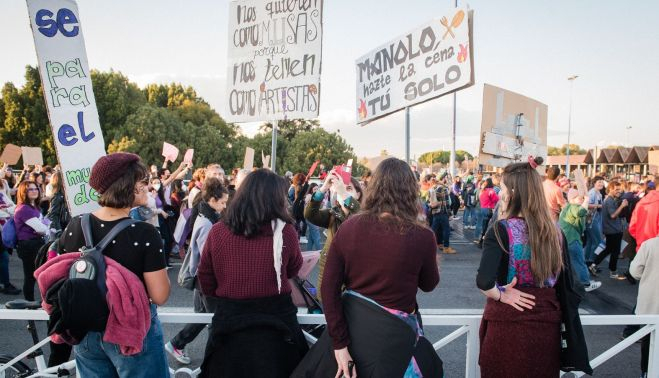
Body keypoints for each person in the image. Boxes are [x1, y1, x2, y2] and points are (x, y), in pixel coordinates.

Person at [320, 157, 440, 378]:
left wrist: (339, 343)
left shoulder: (349, 227)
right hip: (395, 338)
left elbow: (328, 288)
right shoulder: (422, 236)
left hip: (354, 332)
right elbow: (429, 284)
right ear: (410, 191)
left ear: (374, 187)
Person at [55, 152, 170, 377]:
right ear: (129, 185)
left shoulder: (75, 225)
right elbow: (160, 296)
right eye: (144, 181)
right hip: (130, 331)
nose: (148, 187)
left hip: (85, 329)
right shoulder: (145, 233)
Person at [197, 169, 307, 377]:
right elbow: (293, 269)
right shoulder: (285, 231)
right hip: (277, 324)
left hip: (230, 322)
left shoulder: (218, 231)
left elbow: (206, 279)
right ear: (275, 199)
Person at [477, 157, 566, 377]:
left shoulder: (500, 230)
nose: (500, 194)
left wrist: (501, 295)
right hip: (546, 325)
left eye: (503, 188)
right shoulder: (555, 232)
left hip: (508, 325)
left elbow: (484, 281)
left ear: (513, 193)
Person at [165, 178, 228, 365]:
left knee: (202, 316)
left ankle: (177, 343)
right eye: (223, 202)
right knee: (214, 321)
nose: (225, 206)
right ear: (213, 200)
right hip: (205, 280)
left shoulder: (204, 216)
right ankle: (214, 360)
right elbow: (209, 260)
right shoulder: (208, 224)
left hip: (200, 278)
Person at [304, 171, 362, 301]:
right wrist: (324, 188)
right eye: (341, 188)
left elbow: (359, 215)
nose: (343, 190)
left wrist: (343, 193)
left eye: (349, 188)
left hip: (354, 286)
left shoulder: (364, 215)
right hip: (329, 285)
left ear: (358, 195)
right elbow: (310, 214)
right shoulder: (332, 214)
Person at [559, 189, 601, 292]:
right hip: (572, 239)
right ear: (572, 199)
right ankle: (586, 284)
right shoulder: (574, 206)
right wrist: (587, 200)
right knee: (579, 262)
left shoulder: (567, 207)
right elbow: (581, 212)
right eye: (580, 198)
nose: (582, 199)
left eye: (582, 198)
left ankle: (564, 283)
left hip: (565, 239)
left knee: (567, 263)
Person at [14, 180, 50, 301]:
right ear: (24, 191)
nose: (34, 191)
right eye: (30, 189)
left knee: (38, 275)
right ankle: (29, 306)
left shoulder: (33, 207)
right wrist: (47, 229)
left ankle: (35, 304)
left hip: (35, 244)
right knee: (31, 276)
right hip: (29, 246)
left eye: (36, 188)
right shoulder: (24, 209)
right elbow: (41, 228)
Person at [629, 236, 659, 378]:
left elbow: (635, 271)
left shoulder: (649, 245)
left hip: (651, 300)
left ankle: (646, 372)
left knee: (648, 339)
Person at [589, 181, 628, 280]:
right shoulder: (609, 200)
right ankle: (613, 272)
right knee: (615, 252)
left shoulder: (610, 199)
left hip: (612, 229)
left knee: (608, 250)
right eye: (616, 189)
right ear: (610, 189)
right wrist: (622, 206)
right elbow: (613, 215)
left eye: (620, 189)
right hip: (613, 230)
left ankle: (593, 265)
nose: (619, 191)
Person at [0, 179, 19, 295]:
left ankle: (5, 283)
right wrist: (8, 211)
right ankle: (5, 284)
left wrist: (7, 209)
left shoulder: (1, 192)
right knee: (4, 257)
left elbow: (14, 206)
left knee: (4, 257)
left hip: (3, 229)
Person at [429, 176, 456, 254]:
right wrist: (450, 214)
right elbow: (446, 202)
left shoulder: (432, 189)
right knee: (446, 229)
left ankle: (428, 245)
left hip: (435, 212)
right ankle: (446, 247)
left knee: (433, 230)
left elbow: (429, 201)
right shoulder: (443, 189)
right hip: (442, 211)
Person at [584, 178, 605, 264]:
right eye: (599, 182)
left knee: (590, 241)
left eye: (602, 182)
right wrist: (599, 205)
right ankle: (591, 260)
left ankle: (586, 260)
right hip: (591, 220)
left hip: (595, 219)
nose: (601, 184)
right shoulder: (592, 193)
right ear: (594, 183)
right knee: (598, 241)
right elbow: (587, 204)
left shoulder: (598, 193)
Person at [478, 178, 499, 247]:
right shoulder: (491, 191)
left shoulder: (483, 190)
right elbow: (496, 199)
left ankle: (480, 240)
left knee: (483, 225)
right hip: (488, 209)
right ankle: (483, 241)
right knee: (487, 226)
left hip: (482, 208)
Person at [304, 183, 323, 251]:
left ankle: (309, 251)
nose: (316, 190)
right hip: (310, 218)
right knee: (317, 236)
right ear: (311, 190)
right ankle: (320, 252)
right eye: (315, 189)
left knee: (311, 237)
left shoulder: (315, 196)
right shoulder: (309, 196)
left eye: (317, 189)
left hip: (311, 218)